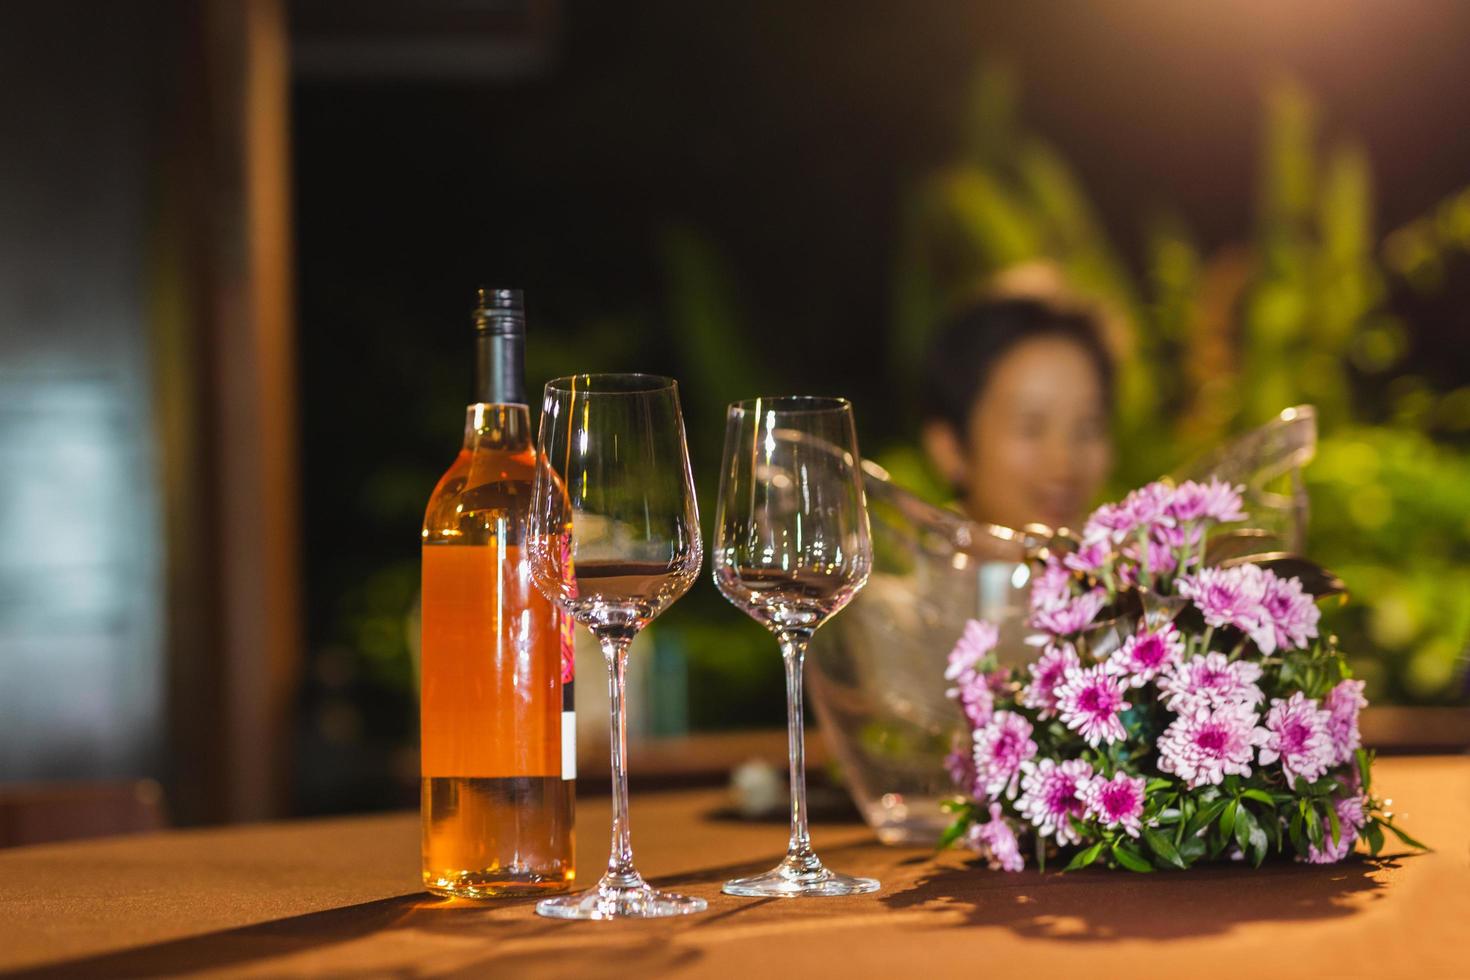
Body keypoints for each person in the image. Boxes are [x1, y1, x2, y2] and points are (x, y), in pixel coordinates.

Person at [918, 292, 1114, 533]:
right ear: (950, 449)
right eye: (1030, 428)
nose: (1064, 464)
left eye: (1087, 429)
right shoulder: (888, 568)